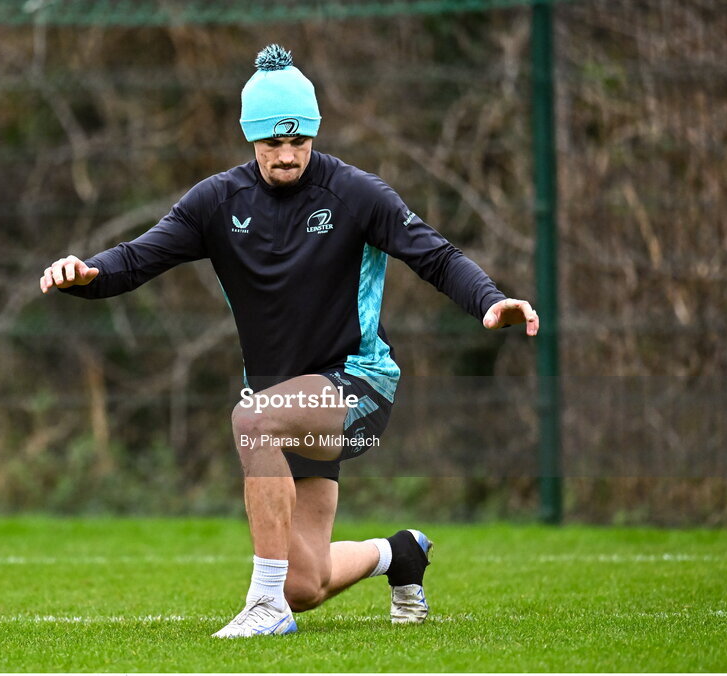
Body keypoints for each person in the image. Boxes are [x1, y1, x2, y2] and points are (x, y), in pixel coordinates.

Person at [40, 44, 538, 638]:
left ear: (313, 133)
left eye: (298, 139)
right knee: (306, 582)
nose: (286, 154)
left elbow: (436, 256)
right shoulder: (215, 203)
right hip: (284, 405)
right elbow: (132, 261)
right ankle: (397, 553)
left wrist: (489, 301)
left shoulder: (356, 194)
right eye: (273, 143)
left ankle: (263, 607)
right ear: (251, 139)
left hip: (358, 388)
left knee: (253, 421)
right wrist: (83, 275)